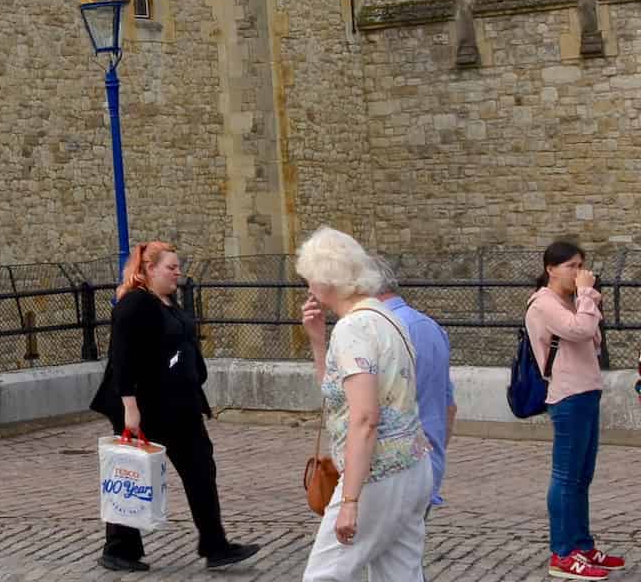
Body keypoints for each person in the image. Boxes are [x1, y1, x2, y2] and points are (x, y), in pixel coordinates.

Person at [89, 241, 258, 572]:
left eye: (178, 267)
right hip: (146, 406)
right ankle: (119, 549)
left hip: (181, 406)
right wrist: (130, 409)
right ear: (150, 269)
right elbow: (121, 359)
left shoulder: (169, 302)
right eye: (171, 267)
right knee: (132, 472)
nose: (178, 272)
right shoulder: (134, 304)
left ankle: (215, 544)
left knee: (201, 470)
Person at [297, 226, 433, 580]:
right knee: (399, 573)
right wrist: (317, 342)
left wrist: (350, 501)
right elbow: (341, 392)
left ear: (326, 278)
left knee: (323, 575)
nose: (307, 285)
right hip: (413, 466)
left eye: (310, 276)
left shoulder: (354, 328)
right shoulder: (387, 317)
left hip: (378, 473)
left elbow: (364, 417)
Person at [528, 240, 623, 579]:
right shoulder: (543, 304)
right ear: (551, 269)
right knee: (566, 477)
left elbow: (594, 339)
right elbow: (580, 330)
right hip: (567, 395)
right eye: (571, 266)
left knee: (583, 476)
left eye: (581, 265)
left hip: (587, 391)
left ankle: (582, 546)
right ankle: (562, 553)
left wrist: (585, 297)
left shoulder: (570, 301)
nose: (579, 273)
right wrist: (586, 296)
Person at [374, 260, 456, 510]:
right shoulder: (430, 327)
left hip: (390, 467)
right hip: (429, 462)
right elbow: (449, 407)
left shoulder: (379, 329)